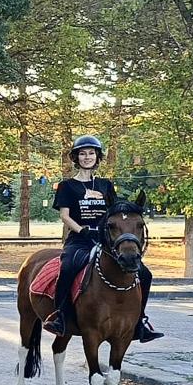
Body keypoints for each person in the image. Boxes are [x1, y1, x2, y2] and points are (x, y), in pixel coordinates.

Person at [45, 135, 162, 342]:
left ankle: (140, 321)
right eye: (82, 153)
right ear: (76, 158)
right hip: (79, 240)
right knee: (68, 267)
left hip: (106, 240)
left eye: (91, 153)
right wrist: (82, 230)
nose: (87, 157)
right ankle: (60, 316)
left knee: (145, 274)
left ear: (97, 157)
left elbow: (113, 212)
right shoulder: (67, 186)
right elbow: (64, 215)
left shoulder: (105, 185)